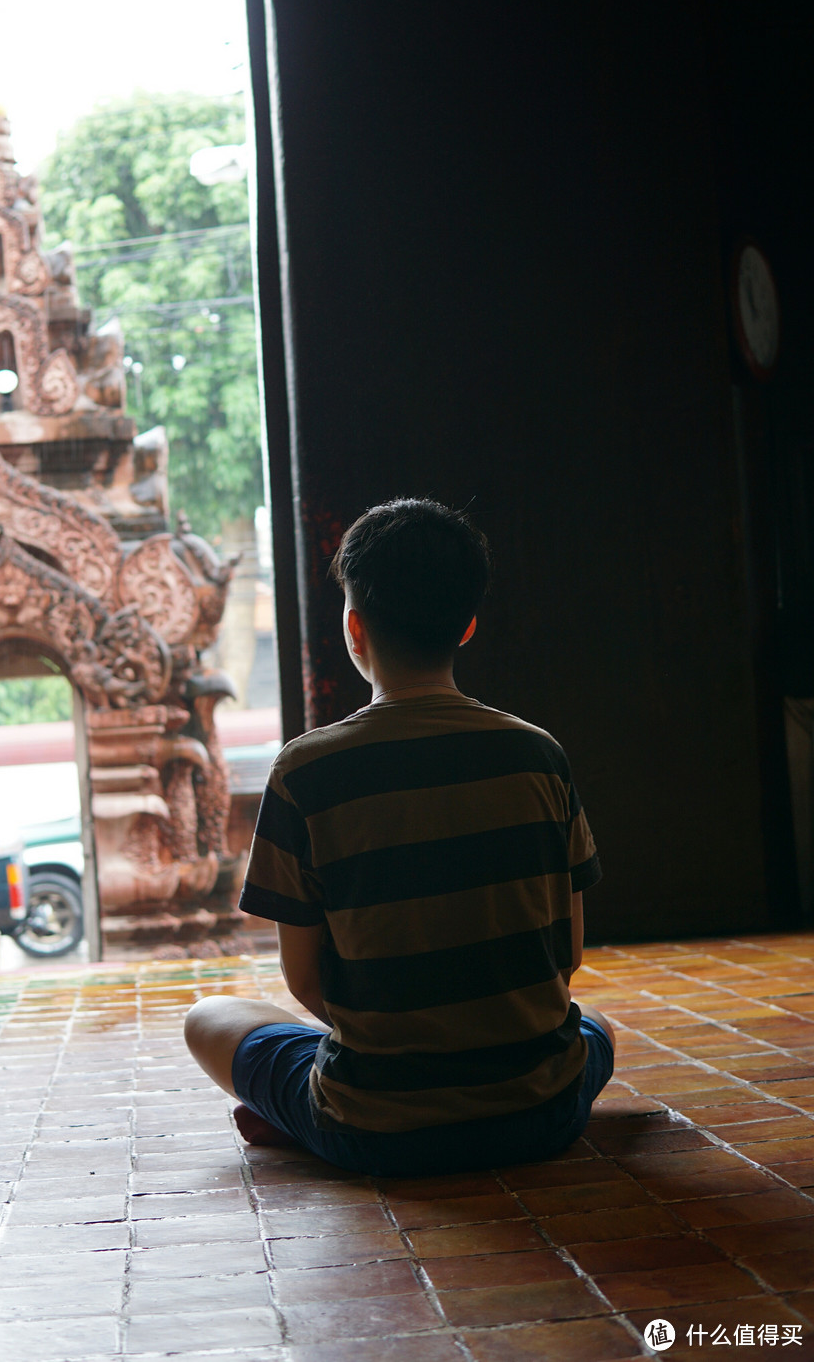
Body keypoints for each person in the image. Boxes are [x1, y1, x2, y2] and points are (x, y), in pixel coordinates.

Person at [184, 498, 613, 1176]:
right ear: (467, 625)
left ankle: (305, 1119)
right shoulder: (539, 755)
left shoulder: (305, 770)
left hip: (376, 1127)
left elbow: (304, 982)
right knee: (595, 1030)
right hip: (542, 1114)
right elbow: (565, 954)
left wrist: (402, 1036)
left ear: (355, 630)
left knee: (209, 1017)